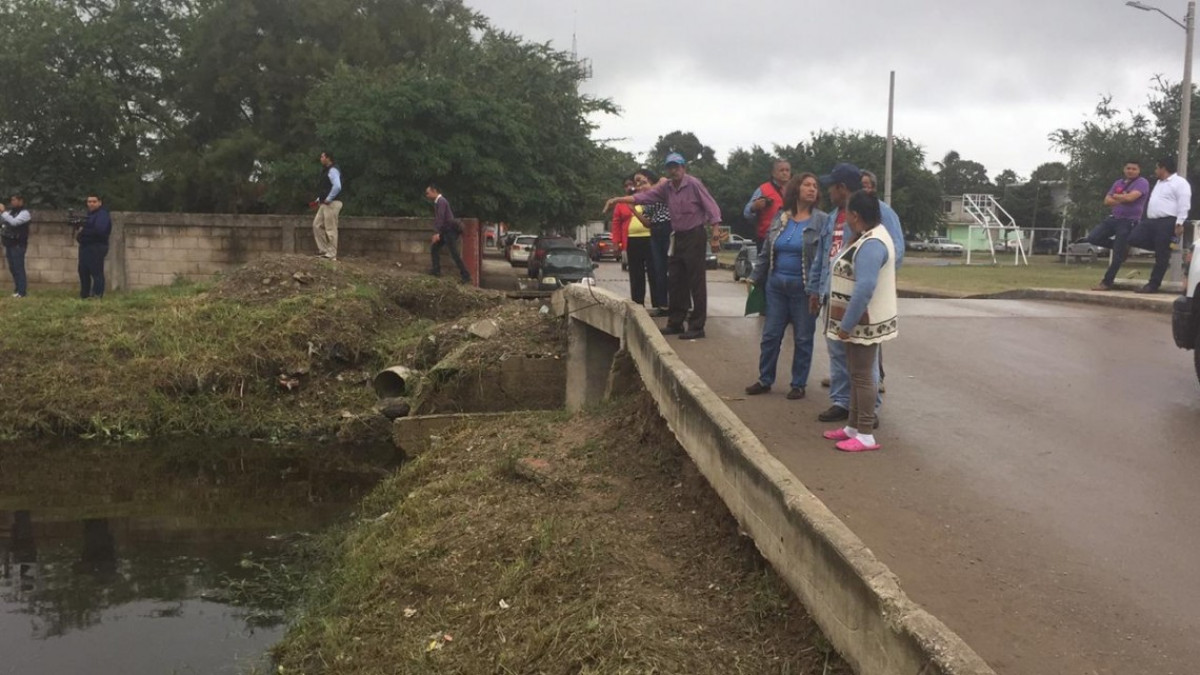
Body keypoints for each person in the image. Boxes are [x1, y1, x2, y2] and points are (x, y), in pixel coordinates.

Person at [605, 153, 723, 340]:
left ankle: (697, 326)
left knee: (696, 281)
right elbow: (643, 197)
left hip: (694, 234)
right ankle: (676, 322)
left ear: (683, 168)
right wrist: (618, 199)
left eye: (677, 167)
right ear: (667, 170)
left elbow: (711, 206)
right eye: (670, 167)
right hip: (676, 236)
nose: (674, 170)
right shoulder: (666, 188)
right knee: (675, 279)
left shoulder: (693, 184)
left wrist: (715, 232)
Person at [820, 190, 898, 452]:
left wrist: (846, 325)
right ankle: (852, 427)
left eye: (848, 214)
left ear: (855, 215)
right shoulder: (865, 237)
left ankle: (866, 433)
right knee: (856, 375)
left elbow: (865, 287)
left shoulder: (873, 243)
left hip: (864, 322)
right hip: (858, 321)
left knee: (863, 377)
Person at [809, 163, 881, 423]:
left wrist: (876, 283)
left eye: (831, 187)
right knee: (837, 352)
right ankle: (841, 402)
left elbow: (892, 249)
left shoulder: (874, 213)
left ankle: (867, 411)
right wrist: (815, 290)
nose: (828, 192)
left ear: (841, 188)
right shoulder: (832, 217)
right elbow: (822, 256)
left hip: (858, 297)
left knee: (863, 359)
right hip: (831, 293)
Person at [744, 173, 827, 400]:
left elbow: (824, 258)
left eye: (815, 186)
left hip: (804, 288)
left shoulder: (821, 220)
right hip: (776, 286)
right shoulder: (781, 217)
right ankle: (764, 379)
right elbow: (766, 250)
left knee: (802, 337)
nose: (812, 189)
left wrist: (819, 289)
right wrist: (754, 276)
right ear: (796, 189)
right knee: (771, 335)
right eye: (807, 185)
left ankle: (798, 383)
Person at [1128, 157, 1190, 293]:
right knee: (1133, 237)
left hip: (1168, 221)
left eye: (1157, 168)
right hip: (1152, 221)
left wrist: (1180, 222)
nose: (1155, 171)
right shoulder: (1159, 183)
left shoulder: (1180, 182)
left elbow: (1184, 203)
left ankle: (1153, 285)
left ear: (1163, 168)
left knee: (1161, 256)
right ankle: (1162, 247)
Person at [1085, 161, 1151, 291]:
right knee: (1093, 237)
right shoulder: (1118, 183)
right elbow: (1106, 201)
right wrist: (1122, 197)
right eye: (1128, 168)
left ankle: (1106, 282)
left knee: (1117, 256)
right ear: (1124, 169)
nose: (1130, 171)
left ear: (1139, 170)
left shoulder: (1142, 182)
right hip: (1113, 218)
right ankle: (1120, 248)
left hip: (1128, 221)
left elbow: (1131, 198)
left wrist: (1117, 196)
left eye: (1134, 169)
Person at [612, 175, 664, 309]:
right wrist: (616, 242)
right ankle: (637, 304)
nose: (631, 187)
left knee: (654, 271)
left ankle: (658, 304)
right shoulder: (622, 203)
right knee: (636, 273)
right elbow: (616, 223)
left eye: (634, 184)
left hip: (650, 238)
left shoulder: (650, 197)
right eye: (627, 185)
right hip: (632, 240)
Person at [636, 168, 672, 316]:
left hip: (669, 227)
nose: (640, 186)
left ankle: (681, 304)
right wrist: (633, 210)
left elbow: (664, 180)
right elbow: (647, 223)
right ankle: (663, 305)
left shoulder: (662, 188)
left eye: (643, 182)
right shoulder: (645, 200)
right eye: (638, 183)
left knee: (674, 268)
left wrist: (650, 188)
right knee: (659, 269)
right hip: (655, 231)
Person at [426, 182, 471, 283]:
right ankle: (436, 270)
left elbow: (441, 218)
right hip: (445, 231)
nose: (427, 195)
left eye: (428, 193)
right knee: (434, 248)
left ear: (434, 191)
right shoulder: (438, 202)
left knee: (454, 254)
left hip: (450, 231)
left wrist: (437, 233)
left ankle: (466, 276)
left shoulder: (441, 201)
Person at [743, 159, 791, 252]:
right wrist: (754, 207)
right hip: (766, 240)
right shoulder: (763, 189)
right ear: (773, 173)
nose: (785, 173)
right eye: (781, 170)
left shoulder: (795, 190)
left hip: (790, 238)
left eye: (787, 170)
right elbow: (746, 213)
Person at [77, 194, 112, 299]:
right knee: (83, 271)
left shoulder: (102, 215)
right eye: (89, 201)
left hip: (97, 246)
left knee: (96, 272)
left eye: (94, 201)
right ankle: (85, 295)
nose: (91, 204)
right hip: (85, 246)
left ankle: (97, 295)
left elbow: (100, 230)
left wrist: (84, 231)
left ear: (99, 203)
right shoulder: (89, 215)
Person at [312, 151, 343, 260]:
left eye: (322, 156)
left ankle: (331, 254)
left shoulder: (333, 170)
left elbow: (337, 186)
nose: (321, 158)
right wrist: (318, 200)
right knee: (317, 225)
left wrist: (329, 199)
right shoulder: (326, 171)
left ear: (328, 158)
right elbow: (326, 188)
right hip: (325, 203)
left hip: (332, 203)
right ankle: (324, 250)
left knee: (330, 228)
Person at [1, 194, 31, 298]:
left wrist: (4, 212)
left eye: (14, 200)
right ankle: (17, 289)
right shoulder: (11, 212)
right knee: (12, 268)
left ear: (20, 200)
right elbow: (4, 222)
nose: (12, 202)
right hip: (9, 243)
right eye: (11, 200)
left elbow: (14, 222)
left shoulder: (25, 213)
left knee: (19, 268)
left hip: (18, 244)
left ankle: (22, 292)